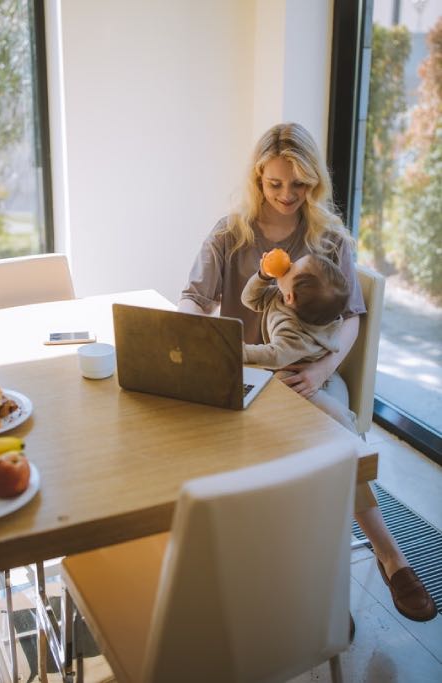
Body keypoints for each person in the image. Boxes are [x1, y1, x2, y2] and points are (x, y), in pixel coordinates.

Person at [179, 122, 436, 622]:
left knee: (329, 438)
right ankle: (278, 575)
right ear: (258, 178)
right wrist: (194, 338)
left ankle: (388, 556)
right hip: (249, 372)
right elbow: (194, 297)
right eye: (275, 184)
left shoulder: (329, 238)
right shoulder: (230, 233)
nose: (287, 195)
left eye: (299, 184)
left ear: (315, 181)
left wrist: (321, 370)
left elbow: (352, 319)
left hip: (307, 374)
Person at [241, 251, 360, 431]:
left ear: (290, 297)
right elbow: (250, 299)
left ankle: (345, 422)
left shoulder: (294, 333)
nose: (287, 264)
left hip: (294, 373)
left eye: (291, 268)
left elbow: (275, 355)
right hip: (302, 364)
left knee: (290, 391)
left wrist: (240, 350)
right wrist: (263, 275)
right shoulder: (283, 297)